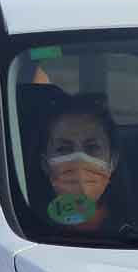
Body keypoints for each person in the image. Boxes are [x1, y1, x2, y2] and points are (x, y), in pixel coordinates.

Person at [39, 94, 121, 232]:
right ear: (45, 163)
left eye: (92, 147)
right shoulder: (25, 225)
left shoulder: (131, 228)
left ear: (113, 161)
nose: (79, 159)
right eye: (64, 149)